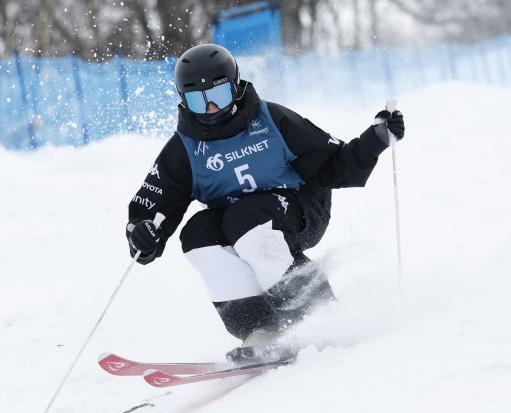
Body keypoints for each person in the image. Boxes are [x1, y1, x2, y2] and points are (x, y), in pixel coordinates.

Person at [125, 44, 405, 362]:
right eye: (197, 100)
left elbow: (333, 164)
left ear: (235, 86)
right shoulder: (184, 149)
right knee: (197, 233)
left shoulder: (272, 121)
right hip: (241, 222)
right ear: (182, 100)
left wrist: (377, 138)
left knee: (245, 218)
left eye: (219, 94)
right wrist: (142, 231)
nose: (211, 108)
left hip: (301, 209)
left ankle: (317, 314)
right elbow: (153, 205)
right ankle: (261, 328)